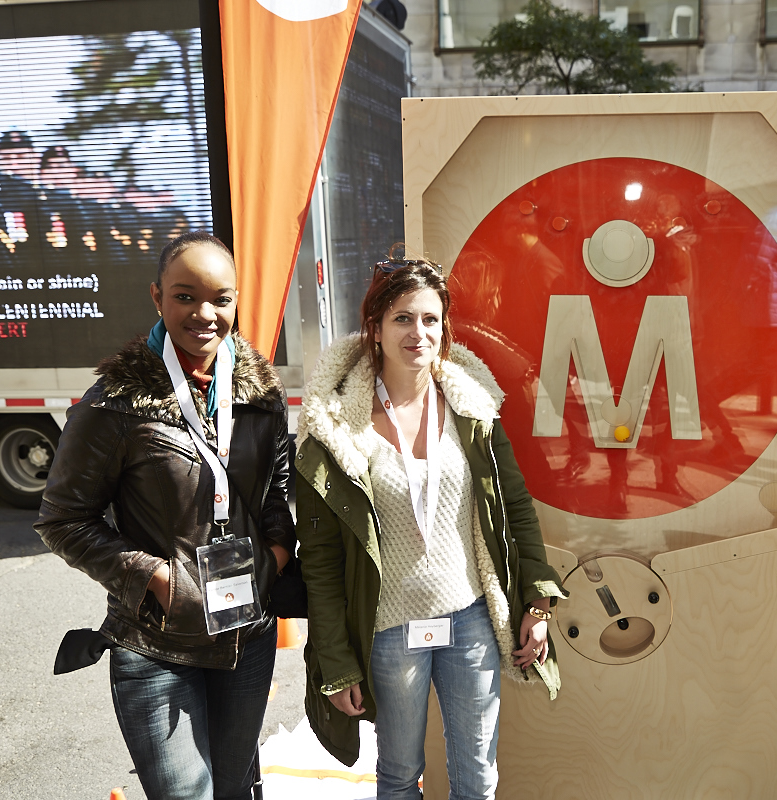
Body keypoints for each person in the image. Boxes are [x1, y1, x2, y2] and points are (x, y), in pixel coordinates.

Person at [296, 255, 568, 797]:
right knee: (398, 776)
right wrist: (336, 661)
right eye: (401, 318)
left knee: (478, 777)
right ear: (373, 328)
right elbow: (321, 562)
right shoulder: (333, 427)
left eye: (430, 319)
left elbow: (516, 508)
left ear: (444, 329)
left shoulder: (473, 408)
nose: (417, 333)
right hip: (389, 630)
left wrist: (537, 604)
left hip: (469, 621)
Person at [35, 231, 294, 800]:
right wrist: (157, 578)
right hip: (156, 645)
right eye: (185, 296)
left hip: (244, 637)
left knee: (235, 789)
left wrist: (274, 557)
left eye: (221, 299)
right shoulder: (115, 400)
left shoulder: (259, 393)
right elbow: (62, 519)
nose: (205, 314)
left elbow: (275, 494)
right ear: (157, 297)